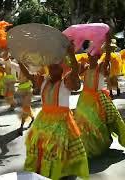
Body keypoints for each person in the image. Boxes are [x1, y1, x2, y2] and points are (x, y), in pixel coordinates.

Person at [21, 44, 89, 179]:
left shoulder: (66, 82)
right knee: (36, 144)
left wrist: (71, 54)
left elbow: (75, 71)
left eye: (56, 67)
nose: (53, 69)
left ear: (62, 69)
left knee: (56, 148)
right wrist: (19, 60)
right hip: (43, 119)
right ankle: (40, 169)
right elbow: (28, 75)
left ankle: (56, 172)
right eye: (51, 67)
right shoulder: (44, 81)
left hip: (61, 121)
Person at [74, 34, 125, 158]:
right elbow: (76, 74)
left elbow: (107, 59)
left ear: (97, 57)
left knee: (101, 121)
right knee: (85, 122)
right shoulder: (85, 67)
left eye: (93, 57)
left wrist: (107, 45)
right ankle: (88, 145)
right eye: (89, 56)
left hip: (98, 98)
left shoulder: (101, 67)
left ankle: (102, 143)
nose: (90, 58)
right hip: (84, 98)